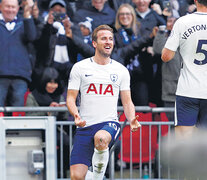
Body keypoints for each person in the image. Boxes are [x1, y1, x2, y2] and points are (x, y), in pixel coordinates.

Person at [66, 24, 141, 180]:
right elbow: (70, 98)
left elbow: (127, 102)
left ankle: (98, 177)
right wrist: (75, 114)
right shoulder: (80, 67)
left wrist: (131, 118)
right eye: (104, 39)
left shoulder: (121, 70)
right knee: (76, 176)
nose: (108, 42)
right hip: (85, 126)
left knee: (101, 138)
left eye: (111, 39)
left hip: (109, 123)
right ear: (94, 43)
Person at [161, 0, 207, 138]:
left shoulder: (183, 22)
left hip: (188, 90)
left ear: (195, 1)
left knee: (184, 143)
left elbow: (166, 56)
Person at [25, 67, 69, 177]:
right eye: (49, 82)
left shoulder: (59, 97)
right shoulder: (33, 96)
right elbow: (29, 116)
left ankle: (61, 171)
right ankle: (43, 174)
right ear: (43, 82)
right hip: (38, 131)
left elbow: (64, 118)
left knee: (67, 142)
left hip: (55, 130)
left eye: (55, 83)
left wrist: (63, 109)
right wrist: (47, 112)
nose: (52, 86)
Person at [34, 0, 81, 89]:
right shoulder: (42, 25)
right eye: (55, 10)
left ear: (66, 12)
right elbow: (40, 46)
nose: (58, 13)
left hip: (68, 69)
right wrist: (48, 25)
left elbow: (80, 48)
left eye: (60, 11)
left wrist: (69, 32)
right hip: (48, 69)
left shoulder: (74, 27)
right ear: (49, 11)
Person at [0, 0, 37, 107]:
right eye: (7, 6)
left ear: (17, 8)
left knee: (18, 110)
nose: (10, 10)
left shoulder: (24, 22)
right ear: (0, 7)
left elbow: (32, 37)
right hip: (0, 74)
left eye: (13, 7)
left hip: (20, 75)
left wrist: (27, 16)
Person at [153, 16, 181, 122]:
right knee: (173, 125)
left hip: (189, 91)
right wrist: (162, 31)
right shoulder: (168, 40)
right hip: (171, 93)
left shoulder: (191, 41)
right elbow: (157, 48)